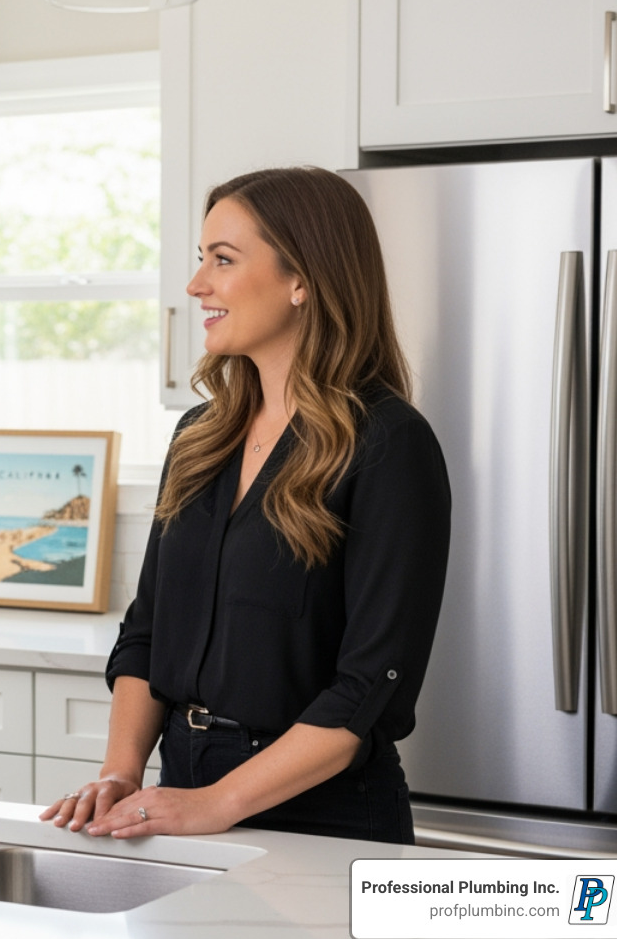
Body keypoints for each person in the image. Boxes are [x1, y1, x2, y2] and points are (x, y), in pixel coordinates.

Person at [41, 166, 451, 844]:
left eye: (223, 260)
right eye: (201, 259)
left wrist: (218, 803)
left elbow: (367, 689)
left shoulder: (388, 444)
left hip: (323, 817)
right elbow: (148, 631)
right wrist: (121, 773)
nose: (196, 284)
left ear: (302, 280)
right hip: (180, 793)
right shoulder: (199, 436)